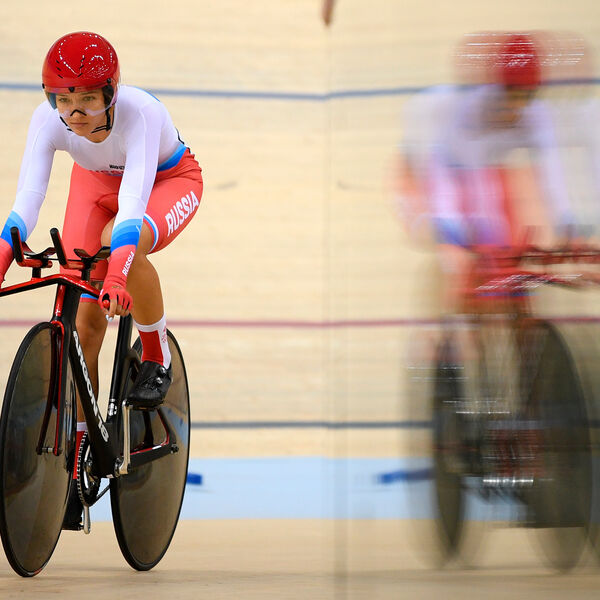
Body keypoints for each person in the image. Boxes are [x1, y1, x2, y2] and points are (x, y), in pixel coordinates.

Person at [0, 31, 203, 528]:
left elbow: (132, 205)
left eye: (89, 99)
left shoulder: (140, 114)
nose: (75, 113)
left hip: (164, 182)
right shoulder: (46, 120)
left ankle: (154, 354)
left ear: (111, 92)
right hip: (93, 185)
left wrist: (117, 276)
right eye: (63, 100)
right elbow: (27, 199)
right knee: (83, 319)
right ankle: (80, 447)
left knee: (117, 245)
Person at [396, 32, 576, 313]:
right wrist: (455, 227)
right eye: (512, 96)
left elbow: (552, 171)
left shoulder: (537, 115)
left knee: (505, 254)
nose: (518, 106)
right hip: (436, 164)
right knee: (458, 257)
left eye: (527, 97)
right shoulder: (469, 112)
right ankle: (450, 324)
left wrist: (565, 219)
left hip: (481, 166)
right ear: (498, 88)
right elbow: (454, 180)